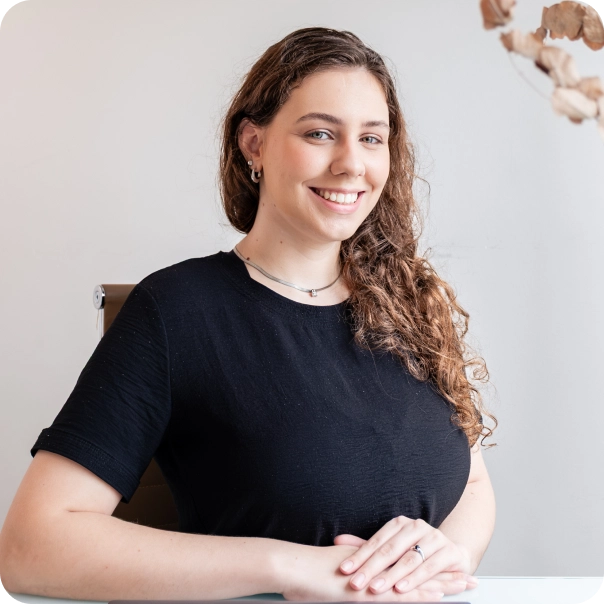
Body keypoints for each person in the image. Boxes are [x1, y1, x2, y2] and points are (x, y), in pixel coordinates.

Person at [0, 27, 497, 603]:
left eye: (371, 138)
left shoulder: (410, 301)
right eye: (319, 133)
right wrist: (291, 567)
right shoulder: (176, 311)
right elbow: (31, 545)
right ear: (253, 144)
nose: (351, 163)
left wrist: (444, 556)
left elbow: (472, 482)